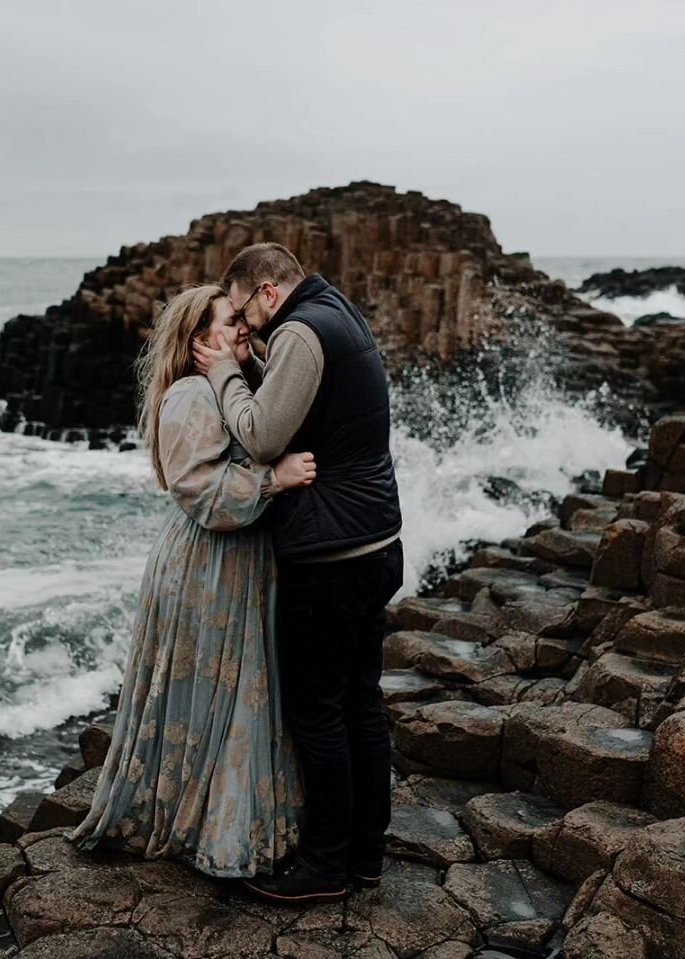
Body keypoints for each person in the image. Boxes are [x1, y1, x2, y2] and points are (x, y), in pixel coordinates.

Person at [69, 285, 316, 879]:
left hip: (242, 561)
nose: (242, 330)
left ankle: (236, 818)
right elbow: (199, 489)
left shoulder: (233, 385)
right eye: (230, 322)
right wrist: (273, 481)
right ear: (199, 339)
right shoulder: (187, 395)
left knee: (241, 693)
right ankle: (205, 828)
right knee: (219, 697)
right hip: (208, 562)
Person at [193, 243, 405, 904]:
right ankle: (366, 854)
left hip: (330, 555)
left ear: (265, 291)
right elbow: (314, 402)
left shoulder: (303, 333)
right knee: (360, 700)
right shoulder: (339, 312)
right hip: (377, 541)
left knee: (317, 711)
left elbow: (261, 435)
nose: (246, 328)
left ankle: (325, 864)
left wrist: (228, 370)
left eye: (243, 313)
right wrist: (257, 360)